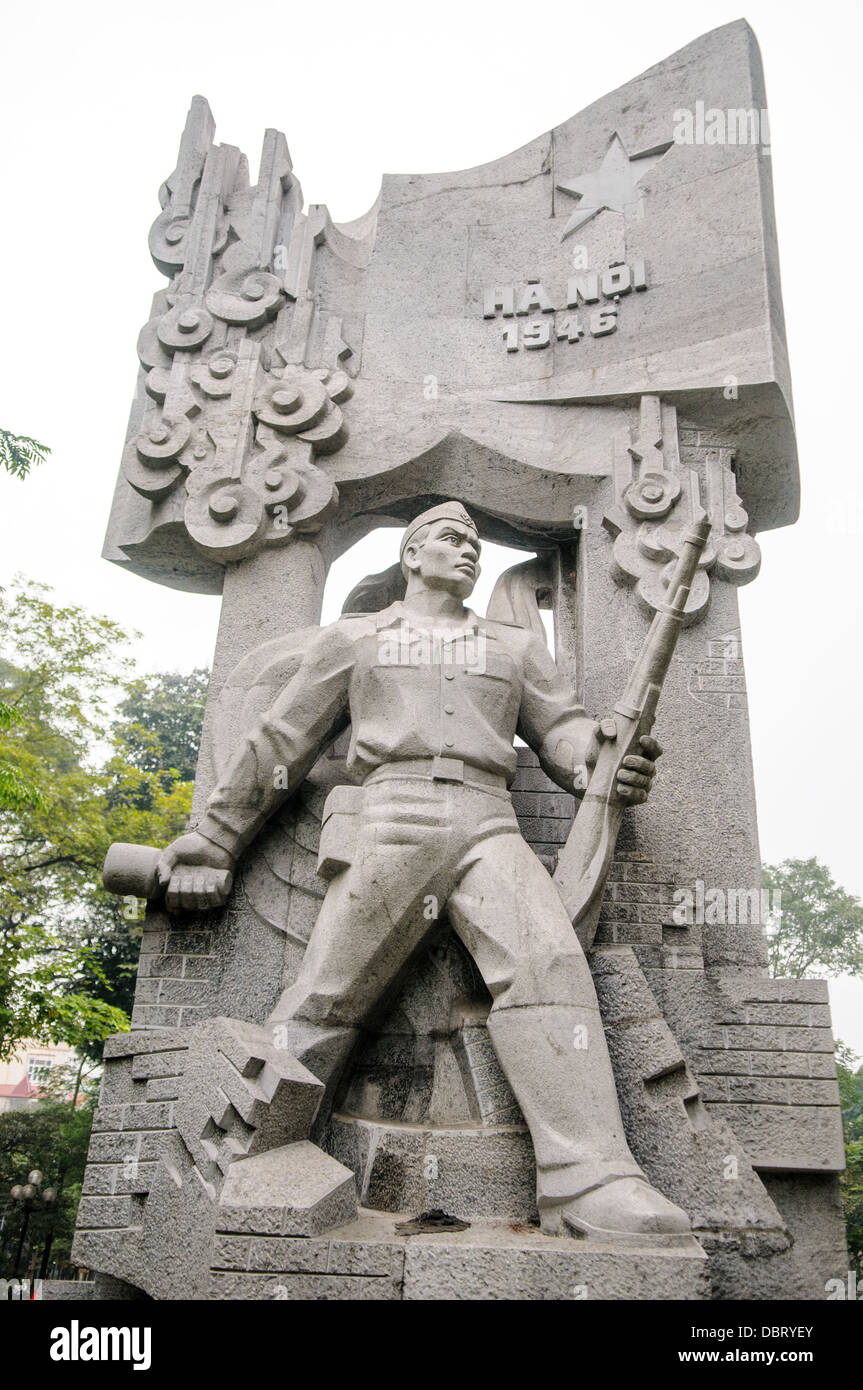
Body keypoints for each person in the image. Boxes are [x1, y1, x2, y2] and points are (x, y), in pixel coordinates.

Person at [157, 501, 691, 1241]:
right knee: (328, 994)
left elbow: (563, 731)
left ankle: (589, 1182)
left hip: (487, 818)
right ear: (411, 555)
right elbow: (283, 739)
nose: (467, 551)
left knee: (547, 963)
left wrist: (600, 761)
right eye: (449, 538)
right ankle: (247, 1152)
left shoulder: (511, 648)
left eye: (474, 543)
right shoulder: (357, 639)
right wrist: (213, 839)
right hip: (391, 812)